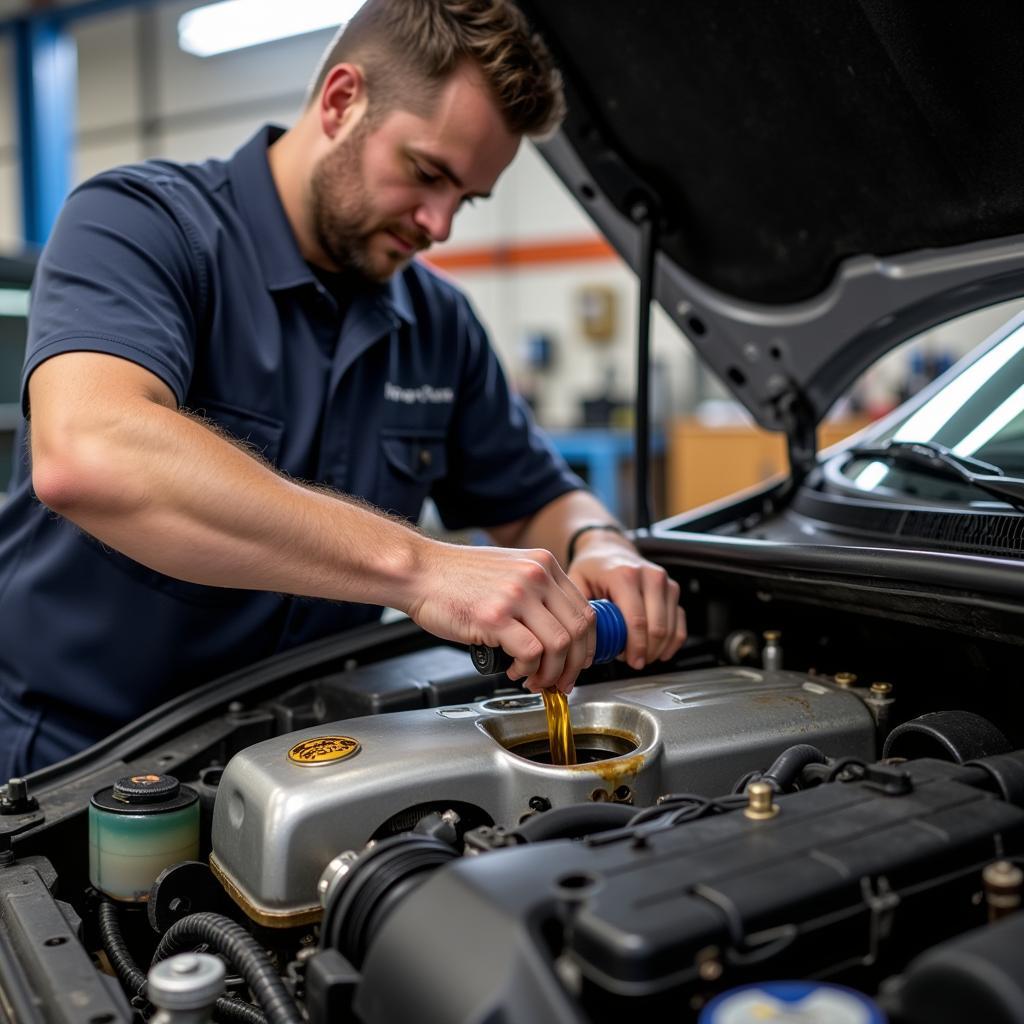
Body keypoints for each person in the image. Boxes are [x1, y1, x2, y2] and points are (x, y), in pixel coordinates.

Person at [0, 0, 685, 776]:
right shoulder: (141, 225)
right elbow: (90, 452)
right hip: (83, 765)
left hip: (313, 760)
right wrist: (421, 567)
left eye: (466, 199)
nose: (440, 225)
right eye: (428, 173)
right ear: (340, 101)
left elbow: (536, 496)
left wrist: (600, 543)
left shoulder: (436, 321)